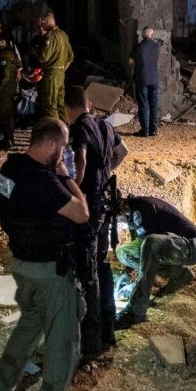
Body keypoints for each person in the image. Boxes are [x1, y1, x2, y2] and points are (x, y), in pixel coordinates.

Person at [0, 118, 89, 391]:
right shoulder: (43, 180)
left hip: (22, 266)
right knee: (62, 346)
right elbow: (82, 213)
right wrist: (66, 175)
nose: (64, 154)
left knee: (28, 330)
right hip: (49, 274)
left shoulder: (9, 168)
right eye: (63, 147)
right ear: (51, 144)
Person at [64, 85, 129, 359]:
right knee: (102, 266)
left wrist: (72, 188)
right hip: (105, 205)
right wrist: (103, 173)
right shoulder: (104, 125)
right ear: (89, 104)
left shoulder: (78, 129)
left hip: (88, 208)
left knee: (88, 273)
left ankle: (91, 343)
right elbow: (123, 151)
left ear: (69, 108)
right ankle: (109, 328)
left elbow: (79, 161)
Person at [116, 195, 196, 328]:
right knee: (123, 252)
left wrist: (141, 283)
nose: (120, 220)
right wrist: (128, 273)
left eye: (118, 217)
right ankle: (180, 275)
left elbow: (149, 245)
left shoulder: (141, 209)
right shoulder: (134, 211)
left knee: (151, 242)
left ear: (123, 206)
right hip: (176, 246)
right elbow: (139, 247)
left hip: (191, 247)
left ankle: (136, 311)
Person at [37, 13, 74, 120]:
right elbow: (71, 57)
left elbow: (44, 57)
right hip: (61, 74)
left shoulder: (50, 36)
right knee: (60, 104)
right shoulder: (63, 34)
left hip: (51, 75)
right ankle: (66, 129)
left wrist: (36, 51)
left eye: (42, 23)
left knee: (50, 104)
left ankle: (55, 130)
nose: (41, 26)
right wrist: (62, 69)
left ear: (48, 22)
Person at [128, 27, 161, 137]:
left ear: (142, 35)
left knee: (143, 105)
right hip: (154, 80)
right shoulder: (156, 46)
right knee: (153, 105)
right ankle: (154, 129)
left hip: (142, 80)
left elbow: (130, 61)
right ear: (152, 35)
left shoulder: (139, 47)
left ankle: (145, 130)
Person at [0, 34, 21, 150]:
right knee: (9, 114)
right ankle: (9, 138)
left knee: (5, 115)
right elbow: (19, 65)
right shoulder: (12, 53)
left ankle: (8, 140)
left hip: (4, 90)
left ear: (5, 41)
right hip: (11, 89)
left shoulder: (4, 55)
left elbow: (5, 75)